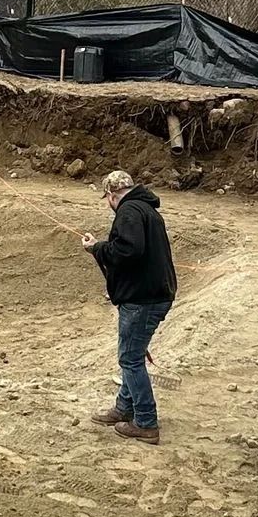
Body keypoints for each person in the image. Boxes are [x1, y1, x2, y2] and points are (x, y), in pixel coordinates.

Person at [82, 168, 177, 444]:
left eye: (107, 198)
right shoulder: (147, 210)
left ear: (112, 195)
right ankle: (125, 408)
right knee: (132, 354)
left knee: (130, 359)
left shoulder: (129, 212)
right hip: (152, 294)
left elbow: (128, 251)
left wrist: (97, 248)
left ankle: (146, 422)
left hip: (143, 299)